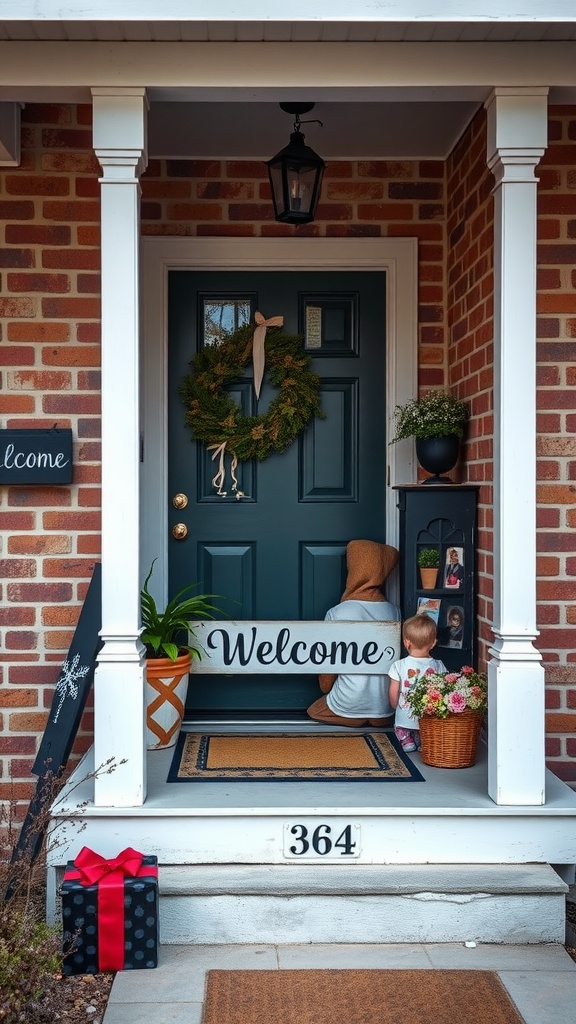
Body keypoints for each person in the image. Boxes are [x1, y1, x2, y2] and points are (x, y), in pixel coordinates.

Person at [307, 539, 400, 728]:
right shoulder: (393, 612)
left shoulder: (339, 613)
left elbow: (328, 666)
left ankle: (354, 715)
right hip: (385, 707)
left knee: (313, 710)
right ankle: (374, 717)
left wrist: (325, 687)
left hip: (347, 703)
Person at [388, 613, 447, 753]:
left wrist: (393, 705)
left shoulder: (398, 665)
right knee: (425, 729)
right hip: (427, 718)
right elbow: (445, 689)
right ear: (433, 643)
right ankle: (422, 740)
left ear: (406, 643)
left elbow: (393, 690)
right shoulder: (439, 666)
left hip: (404, 717)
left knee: (400, 726)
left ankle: (406, 738)